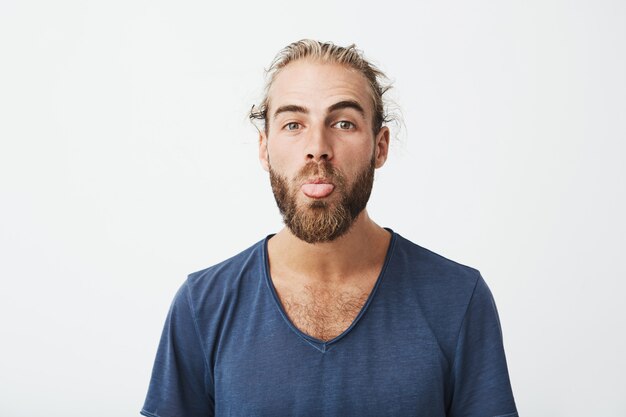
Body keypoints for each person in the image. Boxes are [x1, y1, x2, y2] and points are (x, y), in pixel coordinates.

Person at [140, 39, 518, 417]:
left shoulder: (458, 300)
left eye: (343, 123)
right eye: (293, 124)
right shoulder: (202, 305)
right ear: (264, 148)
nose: (317, 147)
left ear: (380, 146)